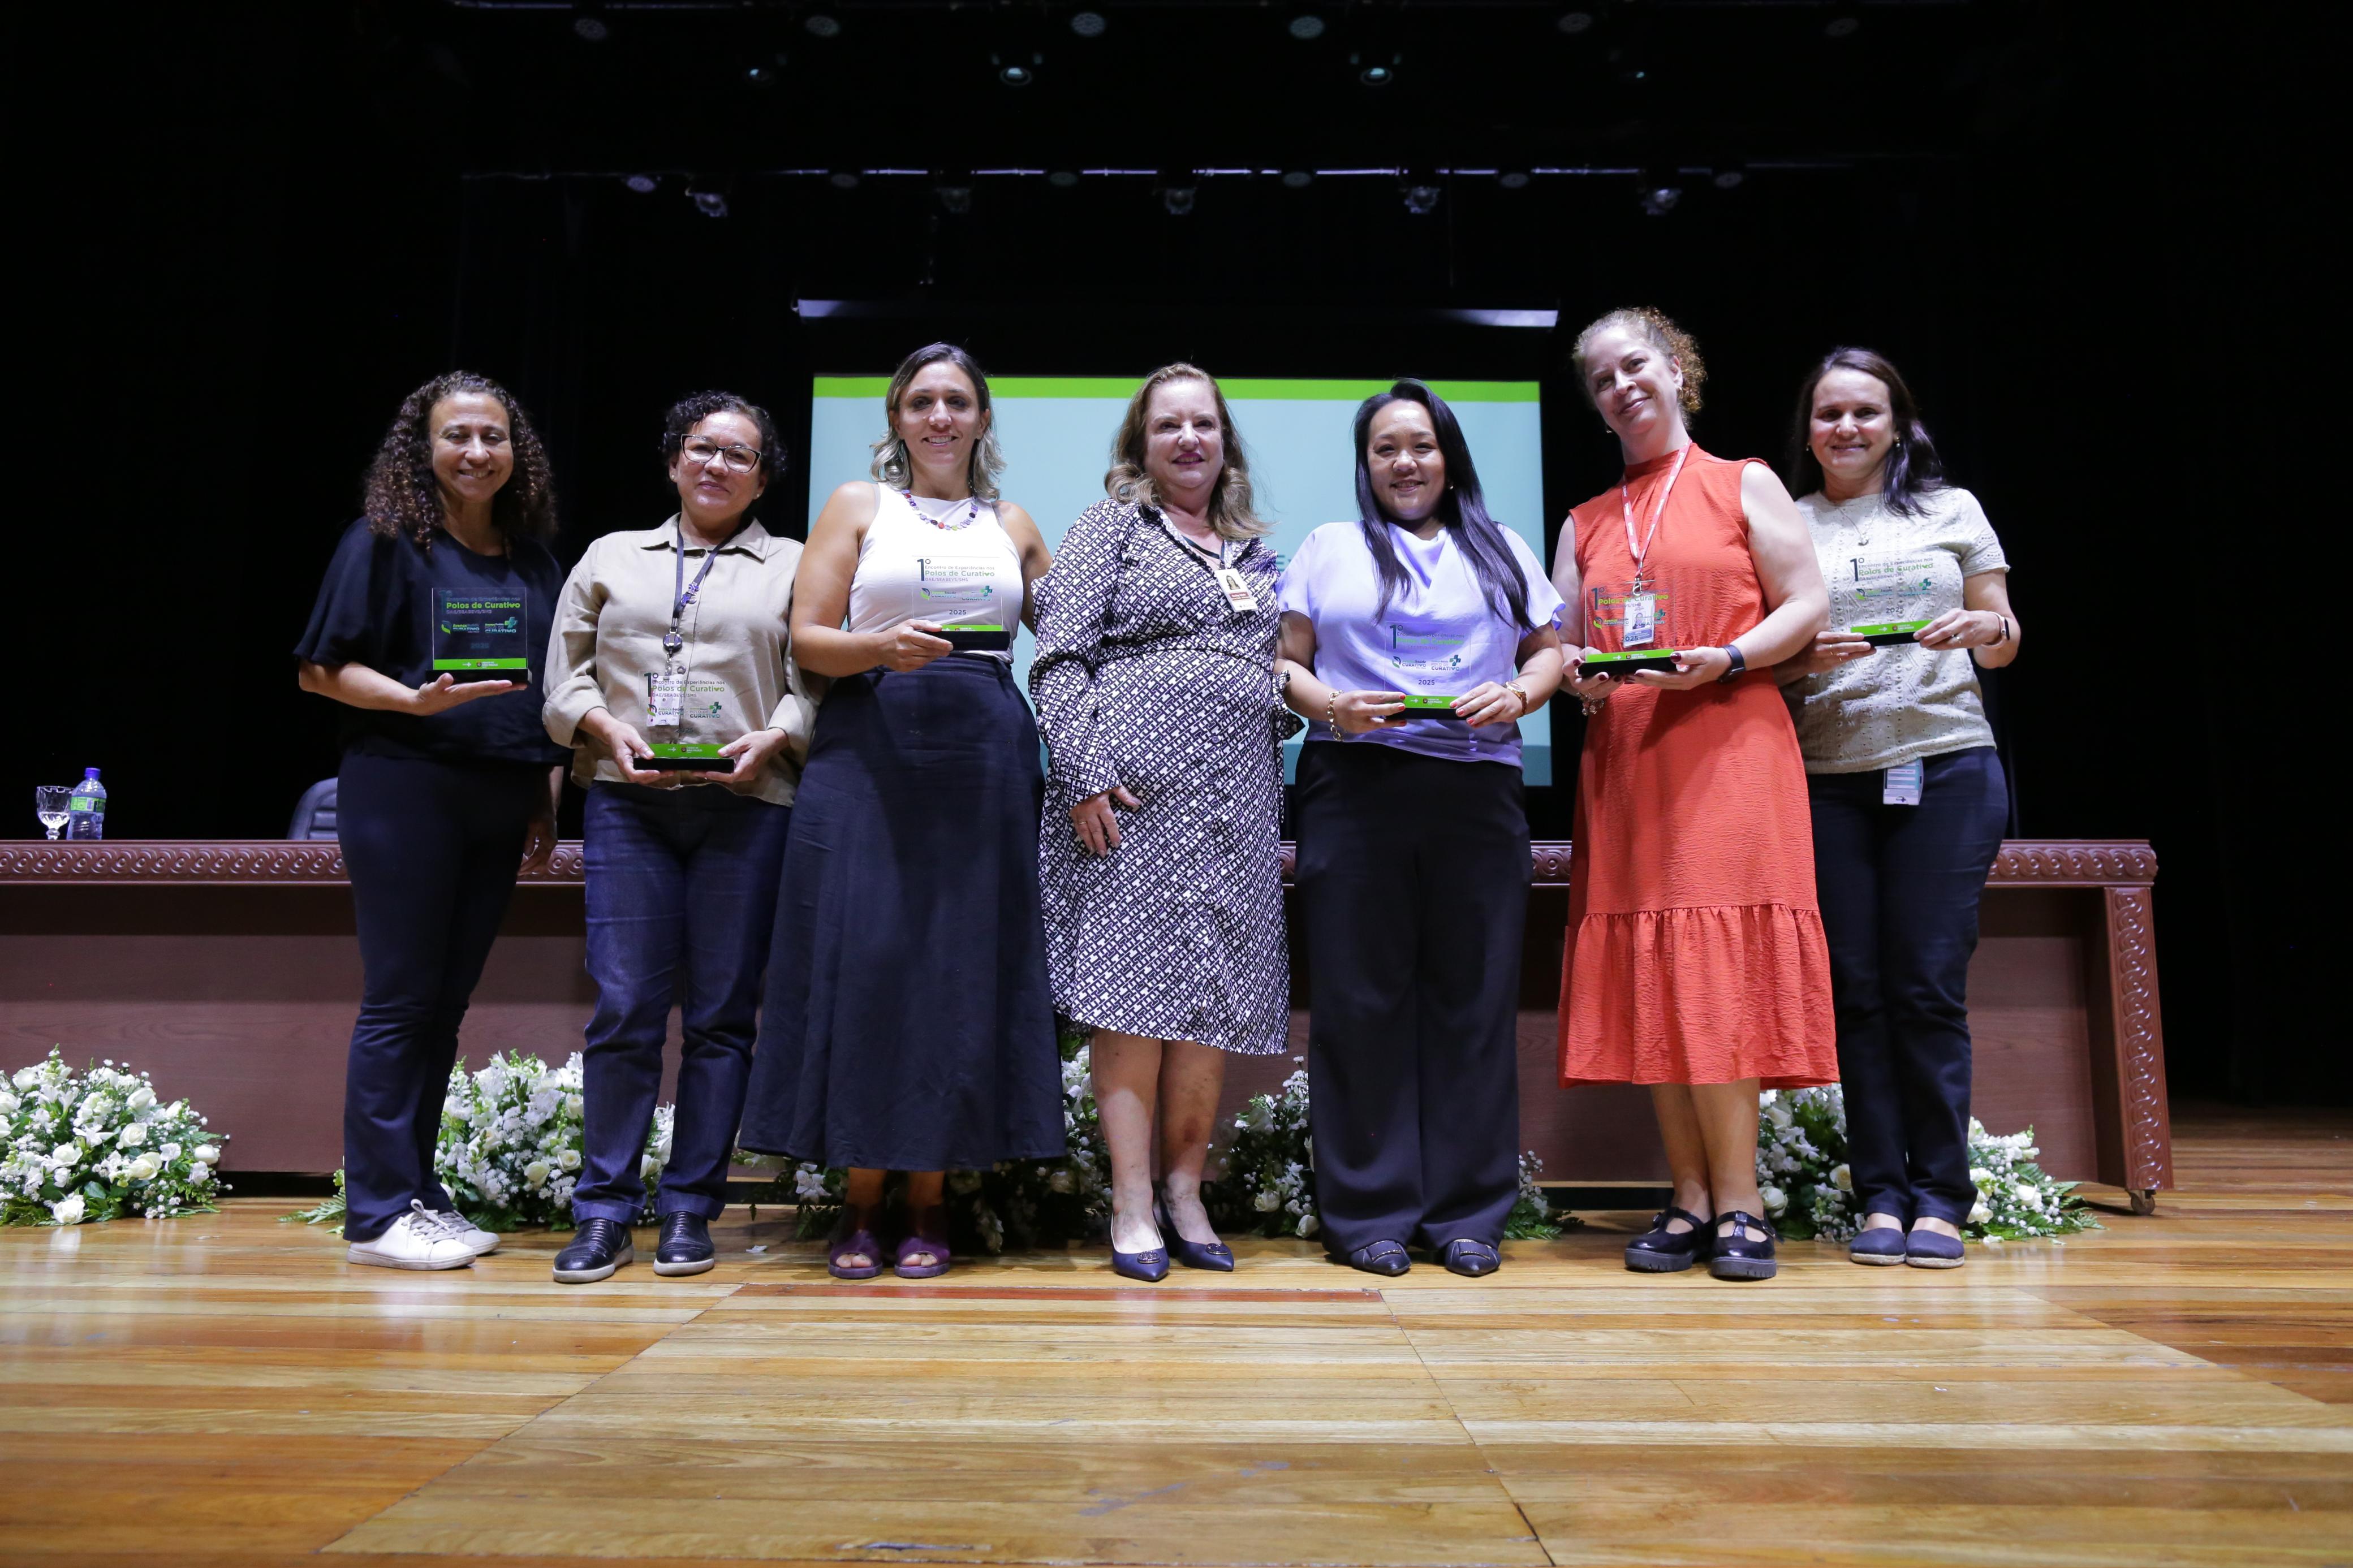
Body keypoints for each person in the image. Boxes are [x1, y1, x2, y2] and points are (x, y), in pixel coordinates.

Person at [738, 343, 1063, 1280]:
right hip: (870, 755)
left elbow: (1073, 638)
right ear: (897, 418)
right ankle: (862, 1200)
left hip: (986, 763)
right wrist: (878, 650)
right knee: (868, 967)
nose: (940, 417)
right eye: (921, 401)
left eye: (957, 401)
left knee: (958, 975)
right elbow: (808, 639)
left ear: (982, 419)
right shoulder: (856, 505)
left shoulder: (1013, 521)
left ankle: (931, 1199)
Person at [1551, 309, 1836, 1282]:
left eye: (1635, 365)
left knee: (1719, 971)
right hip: (1628, 765)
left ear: (1675, 369)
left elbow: (1808, 604)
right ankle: (1688, 1196)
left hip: (1728, 749)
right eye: (1601, 379)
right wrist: (1577, 674)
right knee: (1657, 978)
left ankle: (1742, 1199)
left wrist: (1729, 656)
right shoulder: (1584, 520)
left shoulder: (1742, 480)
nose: (1622, 386)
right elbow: (1556, 645)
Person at [1276, 379, 1566, 1278]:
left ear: (1450, 456)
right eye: (1386, 449)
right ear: (1366, 465)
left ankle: (1469, 1215)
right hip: (1353, 788)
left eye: (1422, 445)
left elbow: (1553, 651)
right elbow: (1284, 664)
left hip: (1474, 793)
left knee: (1470, 1003)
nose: (1406, 462)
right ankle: (1368, 1214)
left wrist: (1520, 694)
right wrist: (1331, 706)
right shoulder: (1328, 547)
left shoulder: (1502, 545)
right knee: (1361, 1003)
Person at [294, 371, 568, 1271]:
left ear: (514, 449)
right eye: (458, 436)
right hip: (404, 785)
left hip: (499, 795)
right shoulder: (383, 542)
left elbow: (542, 692)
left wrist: (543, 786)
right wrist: (414, 702)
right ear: (426, 447)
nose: (478, 452)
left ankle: (417, 1190)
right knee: (401, 1002)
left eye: (494, 436)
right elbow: (320, 669)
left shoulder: (531, 560)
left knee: (445, 1008)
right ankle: (375, 1212)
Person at [538, 392, 815, 1285]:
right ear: (672, 460)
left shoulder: (797, 564)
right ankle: (604, 1211)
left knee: (723, 1017)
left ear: (763, 476)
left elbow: (816, 684)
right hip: (629, 802)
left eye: (739, 456)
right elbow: (562, 678)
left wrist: (778, 734)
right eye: (702, 449)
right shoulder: (612, 555)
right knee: (624, 1008)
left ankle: (693, 1207)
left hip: (748, 805)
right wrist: (597, 725)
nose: (717, 467)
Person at [1031, 364, 1291, 1282]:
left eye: (1204, 424)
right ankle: (1134, 1202)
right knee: (1133, 1004)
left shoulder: (1254, 551)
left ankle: (1188, 1192)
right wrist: (1087, 773)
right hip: (1128, 807)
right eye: (1169, 425)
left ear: (1226, 441)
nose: (1189, 439)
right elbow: (1058, 657)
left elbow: (1268, 668)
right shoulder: (1113, 527)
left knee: (1211, 1002)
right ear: (1141, 446)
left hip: (1236, 805)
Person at [1777, 348, 2021, 1269]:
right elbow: (1770, 658)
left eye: (1865, 413)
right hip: (1827, 776)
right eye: (1829, 413)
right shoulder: (1788, 522)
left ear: (1897, 424)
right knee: (1859, 992)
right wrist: (1807, 662)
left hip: (1946, 765)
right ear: (1808, 428)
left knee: (1925, 986)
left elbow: (2005, 640)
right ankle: (1878, 1193)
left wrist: (1984, 628)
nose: (1846, 429)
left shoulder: (1951, 508)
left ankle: (1941, 1200)